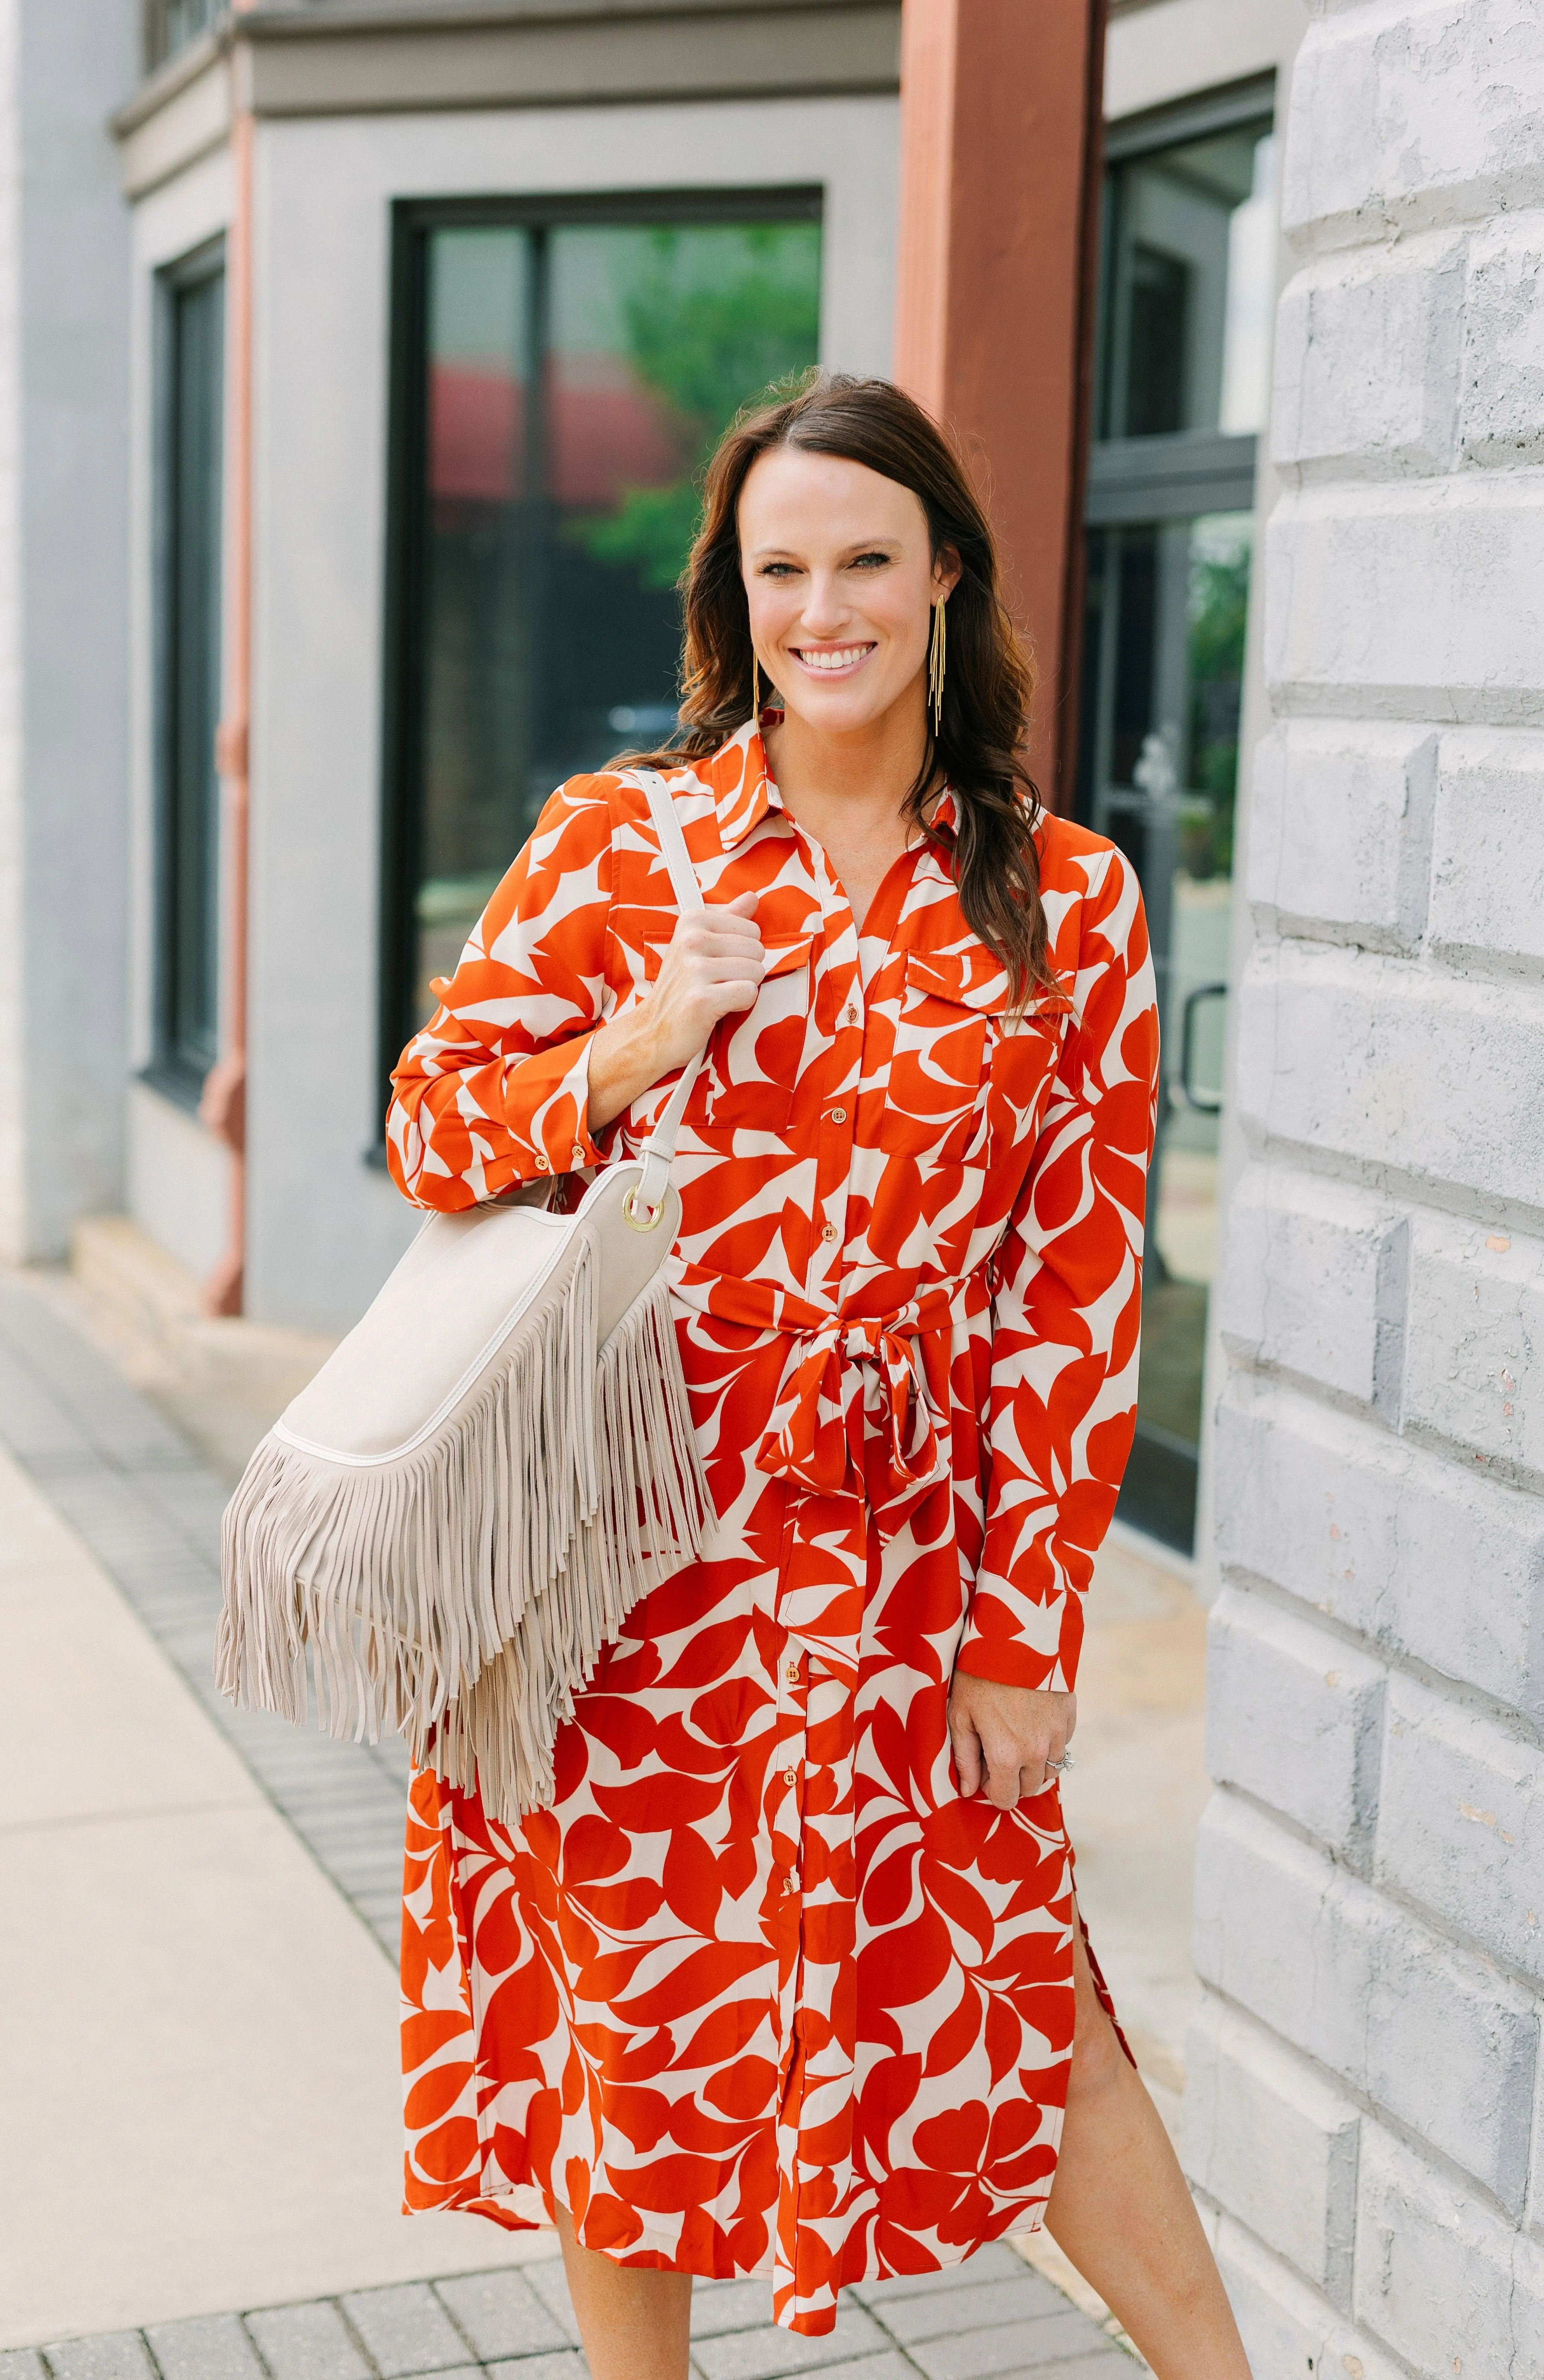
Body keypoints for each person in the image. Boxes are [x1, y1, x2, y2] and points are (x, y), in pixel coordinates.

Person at [386, 372, 1249, 2380]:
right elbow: (437, 1126)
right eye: (783, 569)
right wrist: (623, 1051)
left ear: (946, 570)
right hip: (631, 1563)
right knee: (637, 2025)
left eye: (867, 558)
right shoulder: (627, 846)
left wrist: (1021, 1631)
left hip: (903, 1569)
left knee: (1020, 1996)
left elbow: (1072, 1300)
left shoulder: (1074, 903)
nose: (824, 608)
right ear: (735, 593)